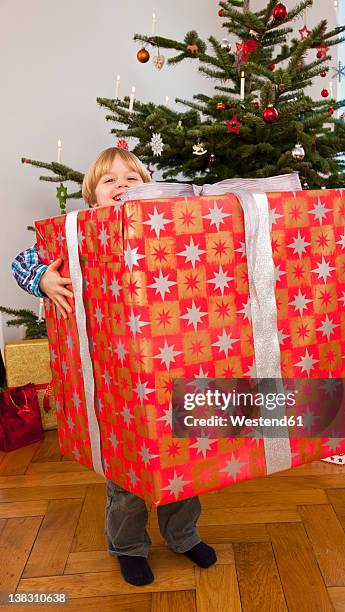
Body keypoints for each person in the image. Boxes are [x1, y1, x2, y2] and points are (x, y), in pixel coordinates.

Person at [11, 147, 217, 586]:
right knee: (126, 476)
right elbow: (22, 262)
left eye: (131, 178)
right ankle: (128, 546)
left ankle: (183, 536)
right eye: (110, 180)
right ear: (92, 197)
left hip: (172, 371)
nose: (121, 185)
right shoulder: (78, 234)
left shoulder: (170, 228)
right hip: (115, 378)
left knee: (181, 462)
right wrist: (44, 278)